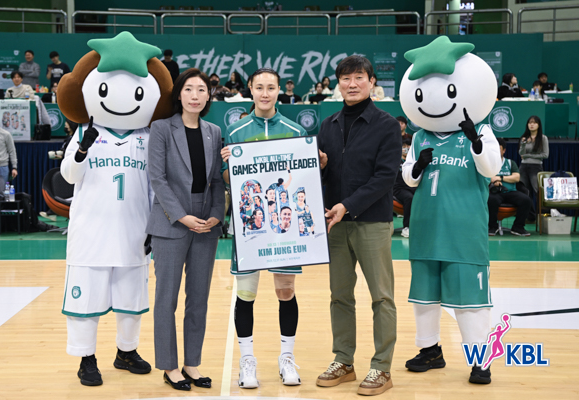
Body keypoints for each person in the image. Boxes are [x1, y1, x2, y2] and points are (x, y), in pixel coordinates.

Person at [57, 32, 174, 387]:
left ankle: (126, 351)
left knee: (131, 298)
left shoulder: (149, 137)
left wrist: (155, 225)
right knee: (86, 299)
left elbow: (156, 186)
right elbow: (68, 175)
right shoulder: (85, 131)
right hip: (90, 232)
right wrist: (81, 150)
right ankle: (86, 358)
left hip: (133, 231)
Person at [399, 36, 501, 385]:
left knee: (470, 301)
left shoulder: (482, 131)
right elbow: (408, 178)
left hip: (464, 231)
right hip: (426, 227)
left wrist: (475, 142)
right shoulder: (419, 137)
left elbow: (491, 168)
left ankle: (480, 359)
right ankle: (430, 350)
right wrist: (417, 166)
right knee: (424, 297)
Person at [316, 55, 400, 396]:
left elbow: (385, 177)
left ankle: (381, 367)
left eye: (359, 77)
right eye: (346, 78)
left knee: (381, 297)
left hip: (372, 223)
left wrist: (347, 205)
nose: (352, 84)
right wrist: (320, 168)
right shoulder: (328, 125)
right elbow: (321, 177)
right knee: (339, 296)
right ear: (338, 84)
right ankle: (344, 360)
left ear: (372, 82)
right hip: (336, 226)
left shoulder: (386, 124)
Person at [220, 67, 308, 389]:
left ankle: (287, 358)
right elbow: (227, 181)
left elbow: (302, 177)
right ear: (251, 90)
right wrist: (229, 164)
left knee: (286, 292)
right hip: (250, 227)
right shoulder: (236, 131)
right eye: (259, 87)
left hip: (284, 226)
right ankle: (247, 362)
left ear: (279, 90)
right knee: (246, 294)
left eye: (271, 87)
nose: (265, 93)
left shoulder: (296, 130)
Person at [146, 68, 224, 391]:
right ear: (179, 94)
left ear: (208, 96)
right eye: (189, 89)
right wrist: (181, 216)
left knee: (199, 298)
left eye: (201, 90)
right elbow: (157, 179)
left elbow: (217, 180)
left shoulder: (214, 132)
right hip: (171, 221)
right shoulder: (162, 128)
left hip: (206, 223)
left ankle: (192, 363)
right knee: (167, 298)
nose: (195, 95)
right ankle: (169, 366)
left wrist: (217, 214)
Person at [488, 138, 532, 236]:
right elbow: (487, 177)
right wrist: (493, 180)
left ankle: (518, 227)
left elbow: (516, 177)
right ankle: (492, 227)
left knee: (526, 200)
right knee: (491, 200)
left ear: (504, 150)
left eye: (498, 149)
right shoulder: (488, 164)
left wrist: (500, 178)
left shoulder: (510, 163)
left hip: (511, 192)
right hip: (495, 192)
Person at [518, 115, 549, 222]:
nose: (531, 125)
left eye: (534, 123)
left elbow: (545, 155)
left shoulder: (543, 138)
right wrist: (523, 144)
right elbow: (521, 153)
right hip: (523, 167)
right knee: (524, 191)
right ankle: (530, 216)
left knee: (538, 191)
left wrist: (528, 155)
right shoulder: (524, 138)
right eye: (530, 122)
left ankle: (545, 215)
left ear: (538, 125)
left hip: (536, 167)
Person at [393, 137, 416, 238]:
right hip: (398, 189)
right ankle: (407, 227)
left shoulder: (414, 162)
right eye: (404, 146)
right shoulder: (395, 161)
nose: (406, 148)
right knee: (409, 198)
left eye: (408, 146)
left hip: (411, 187)